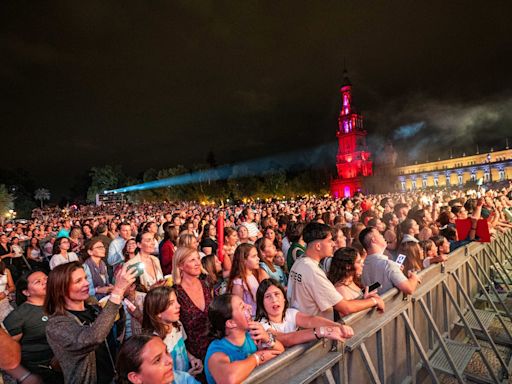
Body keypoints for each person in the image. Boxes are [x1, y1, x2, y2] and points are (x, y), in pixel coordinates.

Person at [45, 261, 137, 384]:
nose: (87, 283)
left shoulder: (94, 309)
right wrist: (117, 291)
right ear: (60, 289)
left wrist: (119, 314)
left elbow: (115, 337)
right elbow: (92, 338)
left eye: (85, 278)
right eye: (78, 281)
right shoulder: (56, 324)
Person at [287, 222, 384, 320]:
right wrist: (374, 301)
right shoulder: (312, 271)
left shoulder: (299, 262)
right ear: (318, 246)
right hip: (317, 330)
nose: (333, 244)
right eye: (329, 241)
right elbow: (345, 308)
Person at [204, 294, 284, 384]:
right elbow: (229, 379)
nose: (249, 307)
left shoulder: (250, 335)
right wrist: (257, 358)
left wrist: (267, 337)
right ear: (231, 323)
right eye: (243, 307)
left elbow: (280, 351)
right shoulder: (216, 352)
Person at [3, 271, 64, 383]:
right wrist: (24, 376)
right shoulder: (19, 316)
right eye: (38, 282)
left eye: (46, 279)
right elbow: (4, 352)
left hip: (64, 368)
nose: (45, 283)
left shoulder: (57, 304)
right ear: (26, 292)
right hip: (41, 373)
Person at [255, 279, 354, 347]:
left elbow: (310, 321)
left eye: (277, 294)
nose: (274, 299)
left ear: (284, 299)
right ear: (261, 303)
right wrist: (321, 331)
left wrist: (338, 326)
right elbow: (286, 339)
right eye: (268, 296)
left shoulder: (290, 313)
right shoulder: (261, 324)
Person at [142, 286, 203, 378]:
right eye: (171, 303)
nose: (178, 305)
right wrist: (185, 377)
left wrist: (192, 358)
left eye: (177, 301)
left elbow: (182, 348)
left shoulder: (177, 325)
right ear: (158, 311)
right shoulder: (154, 341)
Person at [173, 247, 214, 361]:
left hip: (215, 348)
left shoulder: (205, 284)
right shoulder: (175, 293)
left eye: (198, 259)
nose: (198, 263)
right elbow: (173, 329)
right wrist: (190, 358)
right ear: (181, 266)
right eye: (192, 260)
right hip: (194, 356)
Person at [359, 226, 421, 296]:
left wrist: (397, 272)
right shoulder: (387, 264)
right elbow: (409, 289)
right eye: (379, 234)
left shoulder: (364, 265)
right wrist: (414, 277)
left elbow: (378, 285)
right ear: (374, 240)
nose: (382, 236)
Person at [115, 334, 199, 384]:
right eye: (157, 360)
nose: (170, 360)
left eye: (166, 352)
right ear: (135, 377)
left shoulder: (184, 379)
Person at [228, 243, 269, 318]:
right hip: (250, 320)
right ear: (243, 260)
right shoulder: (238, 283)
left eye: (257, 255)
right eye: (254, 256)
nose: (258, 258)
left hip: (259, 316)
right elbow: (238, 309)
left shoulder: (253, 274)